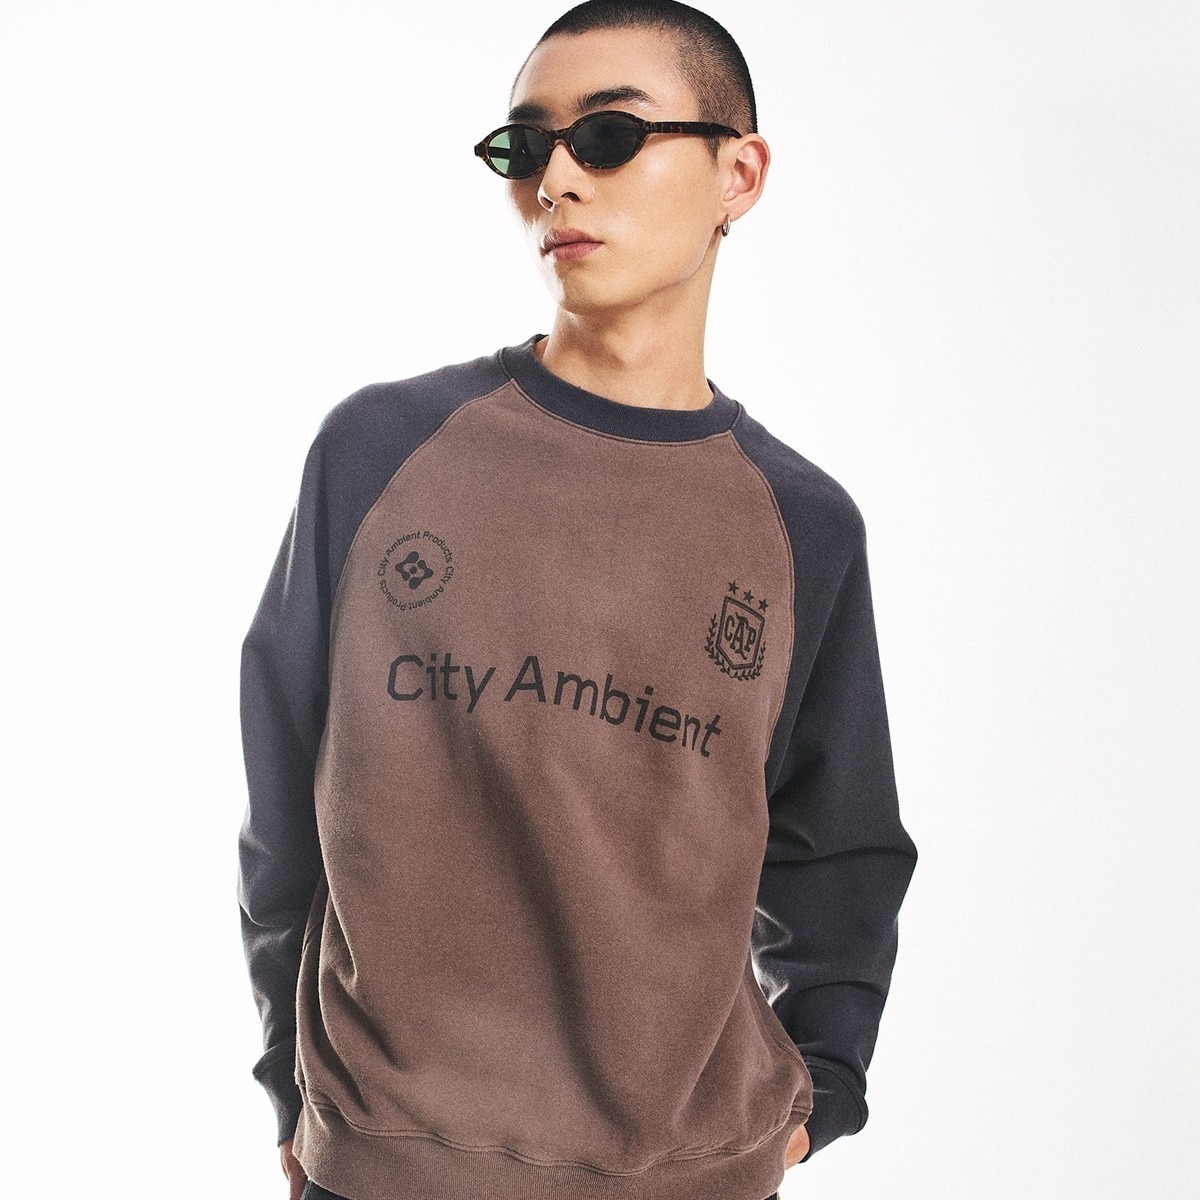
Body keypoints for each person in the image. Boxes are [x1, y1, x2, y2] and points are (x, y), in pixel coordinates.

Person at [236, 2, 918, 1198]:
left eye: (608, 135)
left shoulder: (800, 525)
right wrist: (295, 1089)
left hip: (688, 1175)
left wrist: (821, 1091)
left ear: (739, 174)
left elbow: (842, 847)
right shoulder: (383, 451)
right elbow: (285, 799)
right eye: (525, 145)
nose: (555, 180)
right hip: (390, 1164)